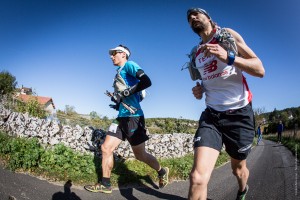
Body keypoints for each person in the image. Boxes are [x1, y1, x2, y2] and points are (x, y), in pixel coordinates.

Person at [186, 8, 265, 200]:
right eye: (189, 18)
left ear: (210, 18)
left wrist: (228, 57)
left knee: (238, 170)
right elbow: (208, 80)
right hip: (212, 116)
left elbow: (259, 69)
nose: (192, 18)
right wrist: (200, 90)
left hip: (239, 114)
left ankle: (242, 189)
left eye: (196, 14)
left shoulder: (226, 35)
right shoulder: (196, 53)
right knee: (197, 178)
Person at [84, 45, 169, 194]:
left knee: (140, 155)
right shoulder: (118, 73)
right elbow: (127, 96)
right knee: (106, 148)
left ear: (123, 54)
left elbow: (147, 81)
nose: (111, 56)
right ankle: (105, 183)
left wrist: (125, 93)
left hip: (133, 118)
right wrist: (118, 104)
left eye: (114, 53)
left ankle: (162, 171)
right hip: (121, 117)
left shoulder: (130, 65)